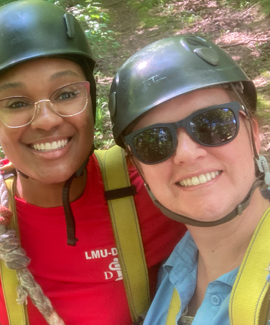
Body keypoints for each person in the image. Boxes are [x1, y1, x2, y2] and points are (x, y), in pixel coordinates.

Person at [0, 0, 186, 325]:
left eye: (65, 94)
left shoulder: (149, 185)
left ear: (90, 99)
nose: (46, 121)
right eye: (16, 103)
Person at [109, 34, 270, 324]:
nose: (186, 153)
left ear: (254, 134)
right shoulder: (172, 276)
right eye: (153, 141)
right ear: (138, 168)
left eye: (214, 123)